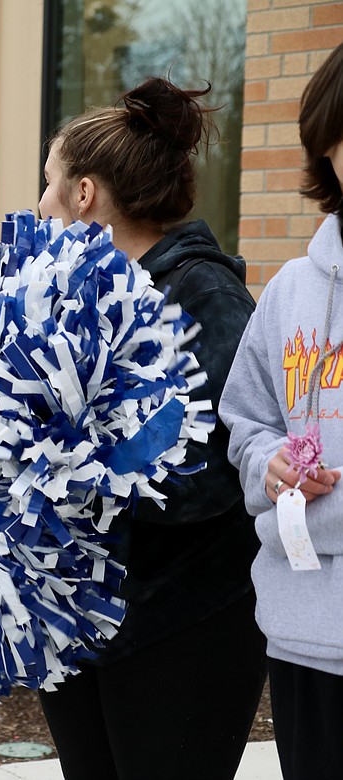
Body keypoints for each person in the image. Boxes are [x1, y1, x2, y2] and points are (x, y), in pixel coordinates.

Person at [34, 77, 266, 779]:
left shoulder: (202, 291)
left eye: (48, 183)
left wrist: (73, 470)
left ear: (84, 195)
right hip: (88, 613)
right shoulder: (68, 298)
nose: (38, 204)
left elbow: (219, 470)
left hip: (181, 626)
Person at [220, 40, 343, 780]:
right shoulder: (293, 289)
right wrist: (267, 466)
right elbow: (246, 419)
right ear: (327, 145)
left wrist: (298, 522)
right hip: (301, 630)